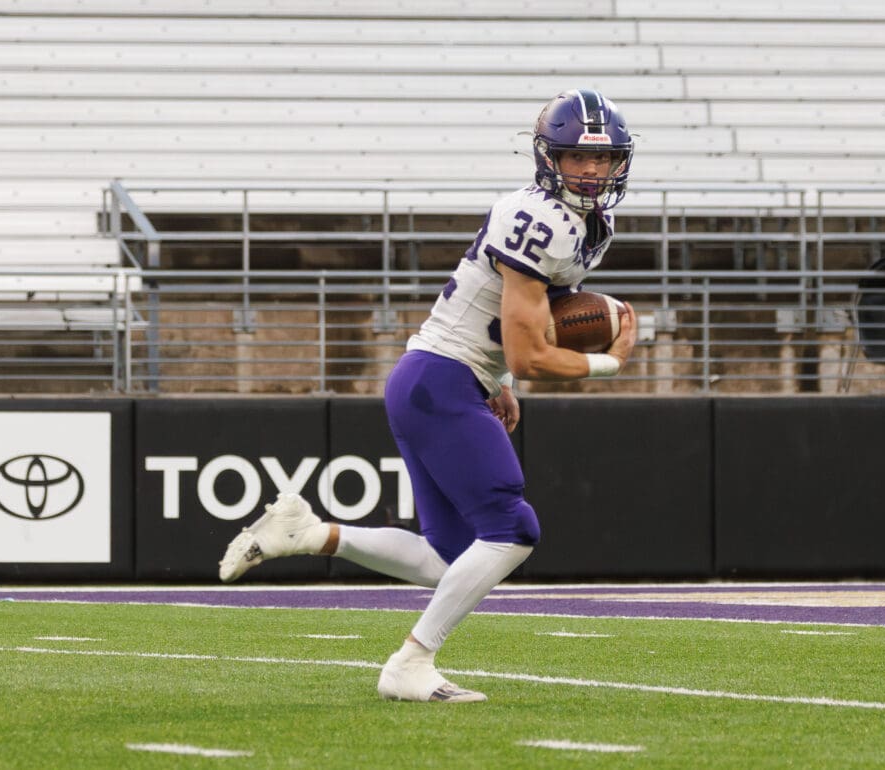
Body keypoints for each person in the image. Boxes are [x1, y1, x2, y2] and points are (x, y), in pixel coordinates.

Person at [218, 88, 638, 703]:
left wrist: (500, 382)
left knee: (449, 558)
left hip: (440, 377)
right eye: (578, 158)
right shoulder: (540, 219)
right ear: (549, 158)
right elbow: (529, 350)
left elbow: (511, 329)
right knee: (513, 528)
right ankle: (411, 662)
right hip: (440, 379)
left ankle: (310, 534)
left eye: (603, 160)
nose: (591, 171)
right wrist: (608, 362)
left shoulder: (588, 222)